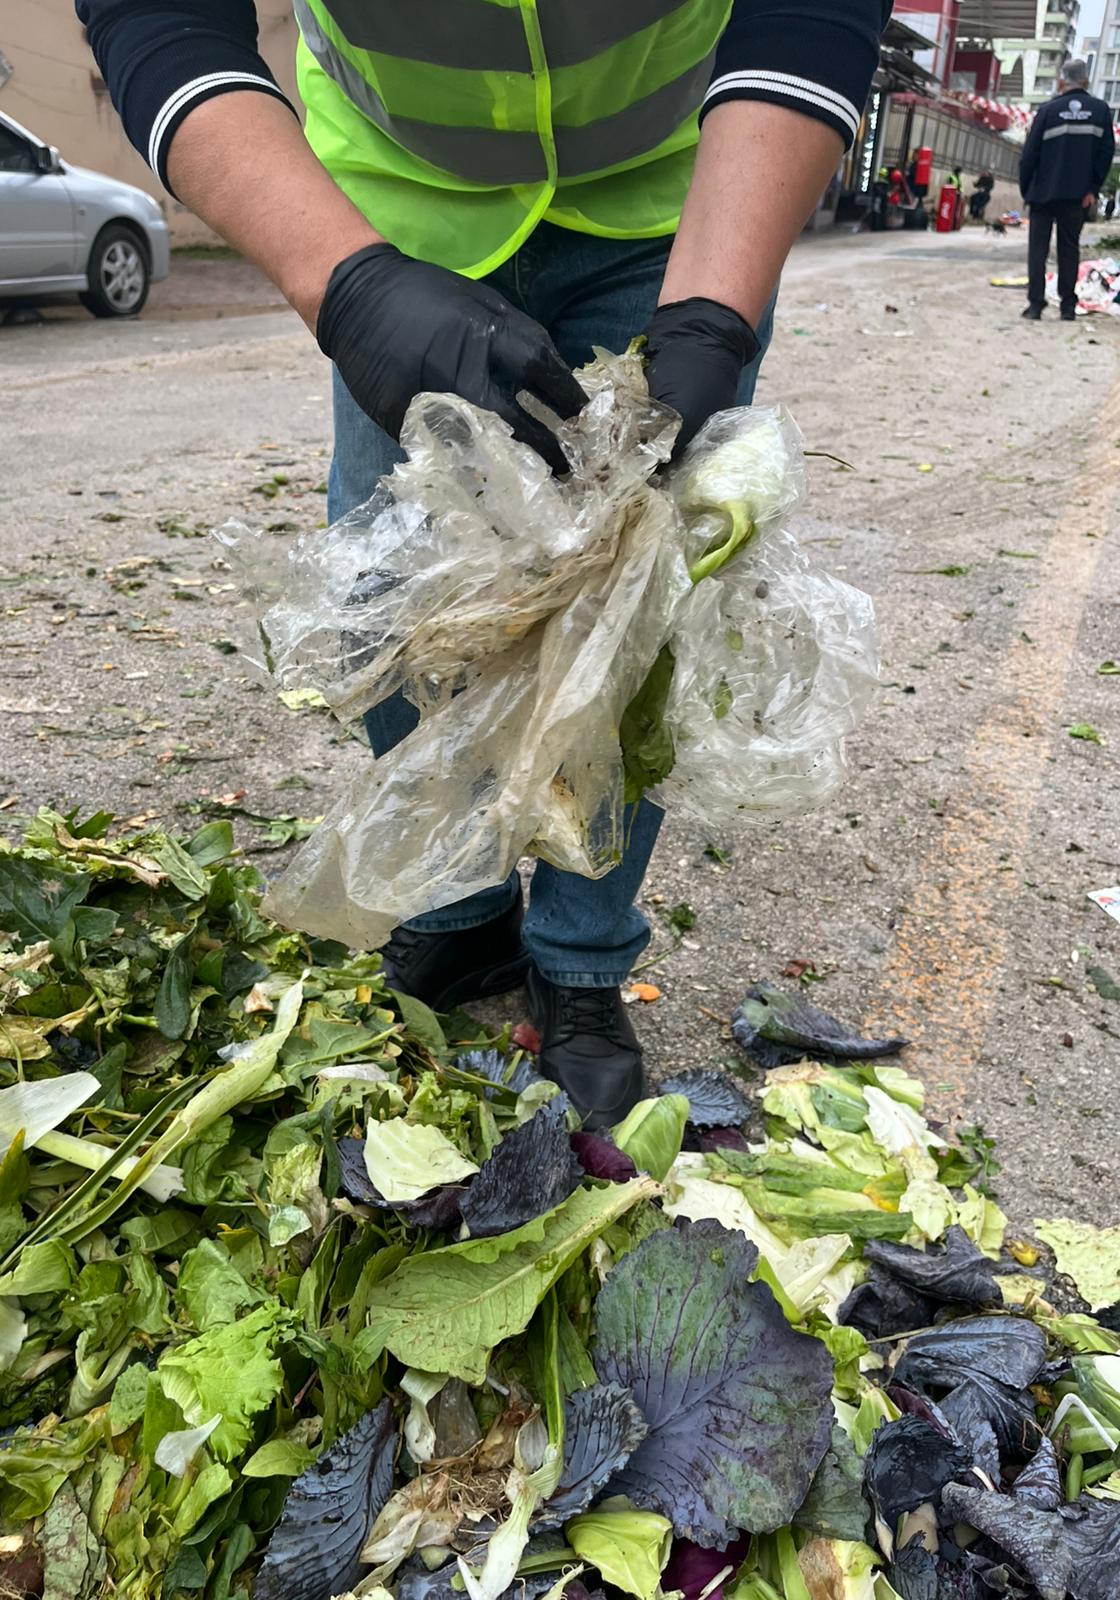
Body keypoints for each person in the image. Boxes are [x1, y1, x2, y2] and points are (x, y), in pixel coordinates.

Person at [79, 0, 890, 1129]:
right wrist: (347, 285)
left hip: (673, 202)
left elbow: (809, 17)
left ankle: (580, 962)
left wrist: (711, 314)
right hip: (395, 215)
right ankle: (459, 914)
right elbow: (159, 20)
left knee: (634, 611)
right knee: (394, 597)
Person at [1019, 59, 1115, 321]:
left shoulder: (1048, 111)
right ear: (1085, 81)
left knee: (1038, 250)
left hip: (1042, 193)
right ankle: (1067, 307)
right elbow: (1106, 153)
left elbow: (1029, 155)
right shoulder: (1100, 110)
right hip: (1077, 195)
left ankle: (1036, 305)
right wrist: (1093, 188)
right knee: (1069, 249)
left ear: (1061, 82)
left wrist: (1026, 189)